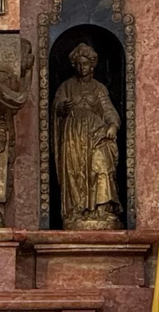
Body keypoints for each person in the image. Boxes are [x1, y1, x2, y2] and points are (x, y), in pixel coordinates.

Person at [52, 43, 122, 230]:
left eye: (85, 64)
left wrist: (113, 125)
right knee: (74, 172)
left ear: (92, 65)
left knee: (101, 165)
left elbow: (108, 110)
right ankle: (76, 210)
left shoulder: (99, 88)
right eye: (78, 64)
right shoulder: (66, 86)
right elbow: (56, 106)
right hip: (73, 136)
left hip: (95, 134)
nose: (82, 67)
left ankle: (101, 208)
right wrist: (62, 107)